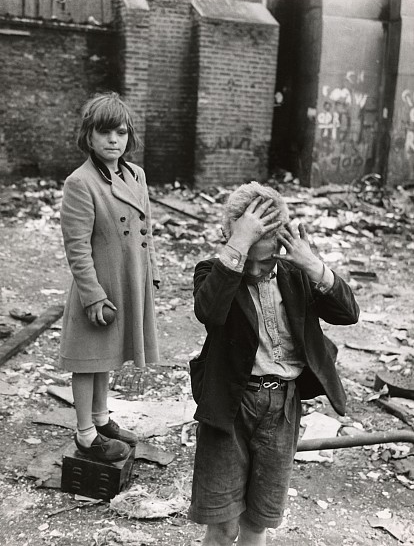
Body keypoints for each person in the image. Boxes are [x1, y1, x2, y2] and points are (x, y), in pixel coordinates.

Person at [188, 181, 360, 545]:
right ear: (230, 238)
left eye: (269, 256)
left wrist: (312, 264)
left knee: (257, 522)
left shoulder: (294, 273)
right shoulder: (213, 271)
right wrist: (238, 244)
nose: (260, 268)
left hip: (282, 406)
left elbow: (348, 313)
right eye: (252, 256)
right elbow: (210, 311)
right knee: (221, 525)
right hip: (229, 408)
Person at [58, 92, 160, 462]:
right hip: (100, 285)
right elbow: (77, 248)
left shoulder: (136, 175)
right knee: (88, 359)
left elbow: (148, 231)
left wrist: (154, 274)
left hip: (130, 278)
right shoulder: (80, 183)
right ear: (89, 136)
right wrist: (94, 296)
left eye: (120, 132)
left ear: (129, 137)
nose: (113, 140)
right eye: (104, 133)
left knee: (108, 357)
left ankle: (101, 419)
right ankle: (86, 435)